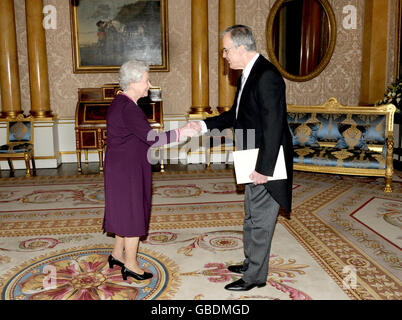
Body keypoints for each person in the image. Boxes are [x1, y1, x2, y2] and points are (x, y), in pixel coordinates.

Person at [189, 25, 293, 291]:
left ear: (240, 48)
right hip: (250, 153)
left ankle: (254, 277)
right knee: (251, 216)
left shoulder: (267, 76)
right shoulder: (248, 73)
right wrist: (202, 125)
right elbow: (235, 115)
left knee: (260, 221)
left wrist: (264, 169)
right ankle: (251, 263)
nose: (224, 55)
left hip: (264, 160)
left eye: (225, 50)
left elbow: (274, 125)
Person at [103, 60, 198, 281]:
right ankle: (131, 264)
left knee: (122, 210)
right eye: (146, 80)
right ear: (135, 82)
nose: (149, 85)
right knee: (132, 213)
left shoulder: (119, 102)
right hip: (128, 171)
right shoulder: (129, 108)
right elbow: (152, 139)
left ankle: (117, 254)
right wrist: (182, 132)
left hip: (120, 166)